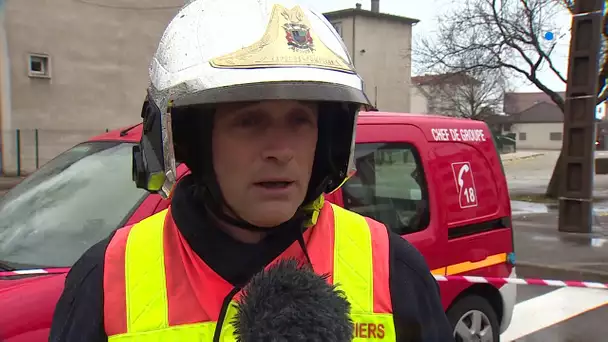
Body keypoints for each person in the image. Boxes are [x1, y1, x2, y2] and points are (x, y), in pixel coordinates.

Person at [49, 0, 454, 341]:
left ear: (328, 137)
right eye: (249, 121)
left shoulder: (392, 269)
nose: (280, 151)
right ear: (193, 141)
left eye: (300, 121)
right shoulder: (106, 280)